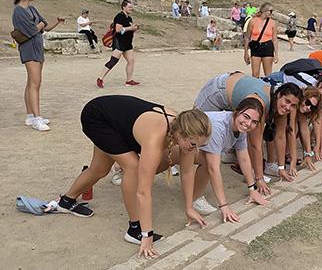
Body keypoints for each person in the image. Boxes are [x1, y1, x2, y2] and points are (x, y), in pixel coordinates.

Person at [53, 97, 211, 259]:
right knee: (133, 167)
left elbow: (186, 172)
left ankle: (66, 201)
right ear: (181, 134)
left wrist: (189, 207)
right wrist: (147, 234)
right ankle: (134, 229)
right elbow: (143, 191)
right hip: (97, 117)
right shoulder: (155, 139)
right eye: (193, 144)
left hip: (114, 119)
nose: (195, 149)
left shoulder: (184, 130)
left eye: (200, 145)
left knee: (99, 169)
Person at [194, 73, 301, 195]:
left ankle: (227, 157)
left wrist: (281, 168)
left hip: (237, 93)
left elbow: (280, 136)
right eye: (287, 101)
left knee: (223, 141)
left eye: (293, 105)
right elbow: (255, 145)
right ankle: (185, 177)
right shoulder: (259, 104)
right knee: (196, 131)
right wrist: (259, 179)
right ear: (279, 95)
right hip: (218, 90)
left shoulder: (281, 107)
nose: (288, 107)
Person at [192, 99, 268, 222]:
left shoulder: (240, 127)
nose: (248, 124)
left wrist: (252, 189)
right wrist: (224, 206)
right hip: (177, 146)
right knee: (209, 162)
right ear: (236, 112)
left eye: (254, 122)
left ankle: (194, 198)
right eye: (246, 116)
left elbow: (243, 158)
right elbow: (213, 169)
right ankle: (194, 199)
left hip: (192, 146)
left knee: (210, 159)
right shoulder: (218, 126)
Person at [12, 0, 65, 131]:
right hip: (29, 49)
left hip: (37, 47)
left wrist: (56, 22)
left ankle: (30, 116)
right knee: (35, 83)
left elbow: (44, 26)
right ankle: (37, 118)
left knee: (31, 83)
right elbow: (32, 30)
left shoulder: (32, 9)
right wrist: (40, 26)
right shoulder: (18, 11)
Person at [97, 0, 140, 89]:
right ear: (124, 7)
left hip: (128, 43)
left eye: (131, 7)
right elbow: (118, 29)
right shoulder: (119, 16)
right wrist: (131, 28)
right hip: (119, 42)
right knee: (113, 61)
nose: (131, 9)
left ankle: (129, 81)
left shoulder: (129, 18)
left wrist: (134, 29)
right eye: (129, 7)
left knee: (131, 61)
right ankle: (100, 78)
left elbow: (128, 30)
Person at [243, 2, 278, 77]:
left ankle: (267, 88)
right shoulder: (253, 21)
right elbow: (247, 37)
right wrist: (246, 52)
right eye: (270, 11)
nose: (272, 13)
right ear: (264, 11)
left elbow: (275, 39)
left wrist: (276, 54)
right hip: (256, 47)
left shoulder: (272, 23)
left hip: (267, 46)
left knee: (268, 75)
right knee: (255, 74)